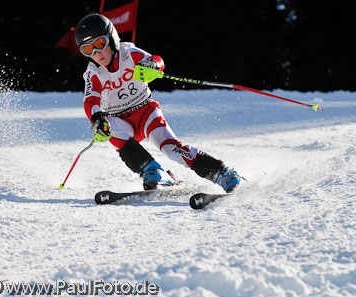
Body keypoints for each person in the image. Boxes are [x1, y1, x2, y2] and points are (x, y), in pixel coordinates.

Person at [75, 13, 242, 192]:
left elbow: (155, 60)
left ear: (112, 38)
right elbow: (90, 100)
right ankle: (152, 170)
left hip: (146, 113)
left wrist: (152, 66)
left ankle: (222, 173)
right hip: (121, 121)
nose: (97, 53)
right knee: (108, 126)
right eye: (88, 49)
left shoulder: (128, 53)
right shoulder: (94, 72)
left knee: (172, 148)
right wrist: (96, 119)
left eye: (100, 44)